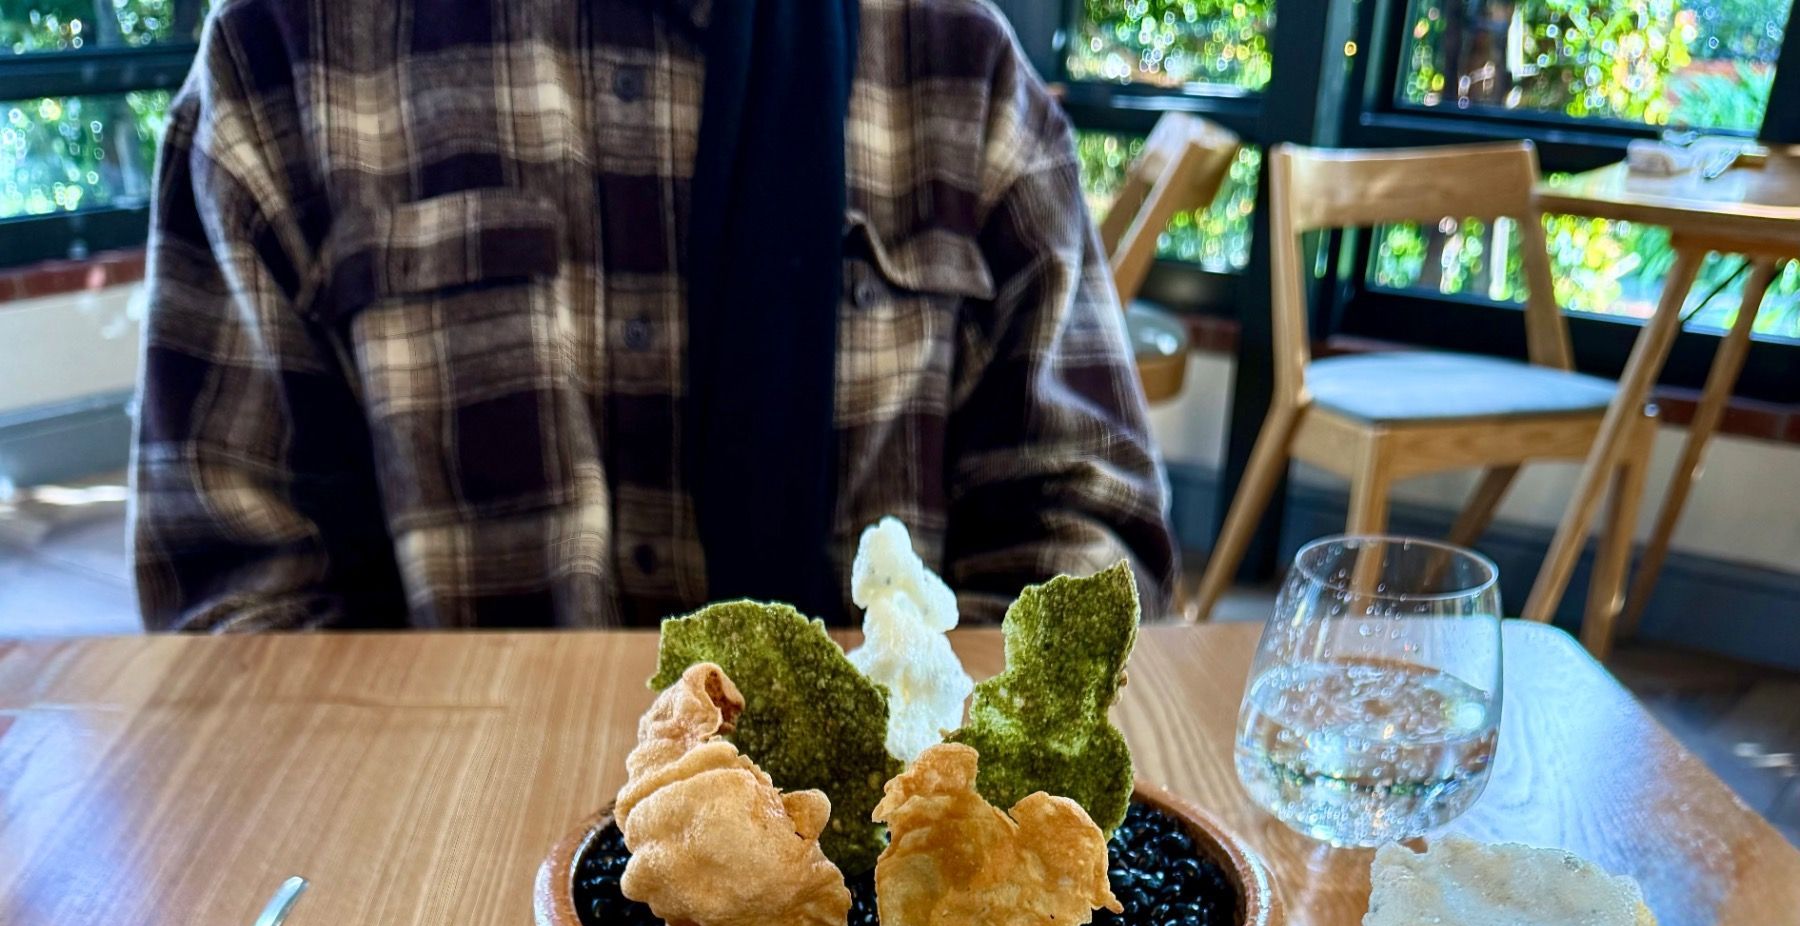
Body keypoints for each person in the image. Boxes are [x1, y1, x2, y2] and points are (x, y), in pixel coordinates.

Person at [131, 0, 1177, 632]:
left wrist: (940, 790)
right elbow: (235, 591)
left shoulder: (958, 60)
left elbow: (1085, 528)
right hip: (451, 844)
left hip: (883, 898)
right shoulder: (282, 53)